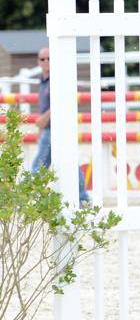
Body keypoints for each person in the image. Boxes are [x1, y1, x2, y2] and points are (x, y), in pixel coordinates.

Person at [31, 47, 90, 204]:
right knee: (68, 163)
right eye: (43, 59)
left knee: (39, 166)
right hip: (49, 128)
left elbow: (61, 100)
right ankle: (83, 197)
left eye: (49, 58)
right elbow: (45, 105)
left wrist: (44, 119)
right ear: (38, 61)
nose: (46, 62)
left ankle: (27, 196)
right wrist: (41, 127)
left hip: (56, 128)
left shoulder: (57, 79)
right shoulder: (44, 80)